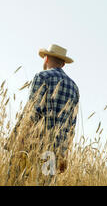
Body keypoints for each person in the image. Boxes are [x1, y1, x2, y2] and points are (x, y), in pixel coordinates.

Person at [8, 44, 79, 176]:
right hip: (55, 150)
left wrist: (18, 141)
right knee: (45, 182)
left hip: (33, 145)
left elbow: (32, 112)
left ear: (46, 59)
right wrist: (65, 154)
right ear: (63, 64)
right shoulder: (74, 87)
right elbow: (71, 125)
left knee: (19, 179)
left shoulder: (42, 77)